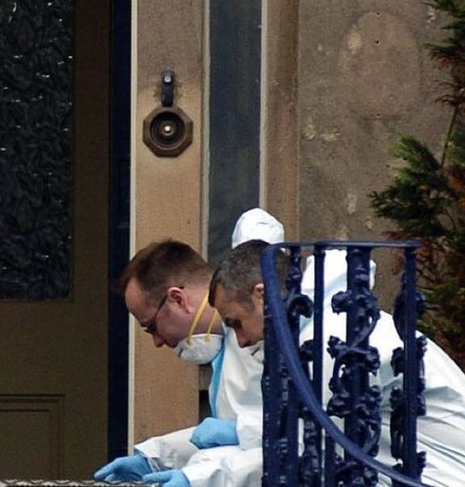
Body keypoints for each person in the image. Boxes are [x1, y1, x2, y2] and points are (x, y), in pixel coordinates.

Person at [211, 240, 465, 486]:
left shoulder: (331, 340)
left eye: (236, 323)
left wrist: (206, 472)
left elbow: (314, 451)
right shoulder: (330, 323)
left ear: (262, 294)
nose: (241, 341)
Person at [95, 208, 285, 486]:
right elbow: (233, 442)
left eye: (152, 327)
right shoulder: (231, 347)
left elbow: (288, 444)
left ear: (177, 299)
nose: (158, 342)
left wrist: (195, 479)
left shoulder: (267, 340)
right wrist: (155, 457)